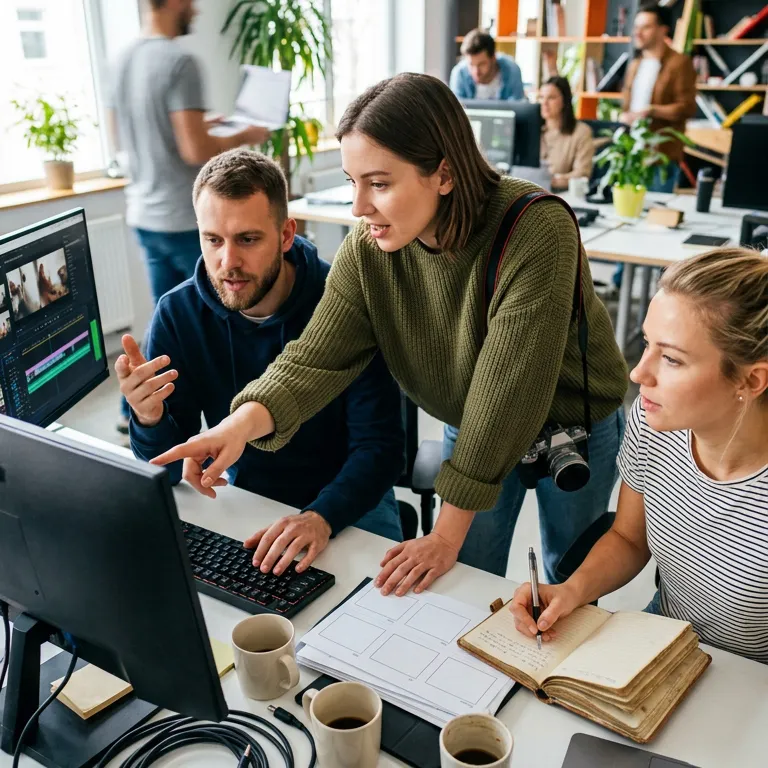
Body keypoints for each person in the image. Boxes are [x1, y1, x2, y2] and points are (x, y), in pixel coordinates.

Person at [151, 73, 629, 595]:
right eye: (352, 181)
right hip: (469, 422)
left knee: (569, 572)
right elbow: (315, 358)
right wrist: (237, 426)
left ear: (443, 174)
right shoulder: (369, 249)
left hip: (571, 421)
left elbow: (506, 393)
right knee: (467, 578)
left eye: (378, 183)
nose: (359, 207)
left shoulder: (536, 228)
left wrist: (443, 536)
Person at [116, 149, 405, 575]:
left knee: (377, 621)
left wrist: (320, 518)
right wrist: (149, 417)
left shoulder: (342, 301)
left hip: (350, 494)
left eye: (248, 239)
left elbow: (380, 449)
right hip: (248, 494)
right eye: (213, 240)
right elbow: (169, 464)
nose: (227, 262)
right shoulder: (178, 313)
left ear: (286, 235)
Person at [510, 248, 768, 664]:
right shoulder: (652, 425)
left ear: (751, 379)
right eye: (647, 344)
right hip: (663, 636)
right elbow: (630, 538)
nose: (638, 373)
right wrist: (571, 591)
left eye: (671, 358)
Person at [107, 0, 269, 434]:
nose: (196, 8)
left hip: (144, 213)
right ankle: (243, 418)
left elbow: (120, 136)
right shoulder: (179, 61)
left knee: (167, 323)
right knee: (229, 321)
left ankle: (137, 413)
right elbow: (195, 151)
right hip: (186, 219)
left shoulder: (119, 60)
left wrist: (205, 124)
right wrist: (246, 134)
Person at [619, 1, 696, 193]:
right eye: (636, 27)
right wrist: (624, 116)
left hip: (662, 156)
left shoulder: (679, 64)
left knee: (656, 215)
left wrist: (651, 111)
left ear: (663, 30)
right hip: (633, 154)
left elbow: (687, 108)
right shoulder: (635, 64)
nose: (638, 32)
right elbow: (627, 104)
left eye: (646, 27)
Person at [539, 76, 594, 191]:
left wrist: (550, 180)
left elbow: (582, 174)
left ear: (564, 100)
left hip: (561, 195)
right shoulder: (534, 129)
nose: (544, 103)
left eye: (551, 98)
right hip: (530, 192)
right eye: (541, 97)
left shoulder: (581, 132)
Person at [449, 29, 524, 101]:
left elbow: (518, 108)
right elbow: (454, 109)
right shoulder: (459, 72)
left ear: (493, 58)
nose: (476, 71)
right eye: (471, 65)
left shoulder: (512, 70)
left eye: (481, 64)